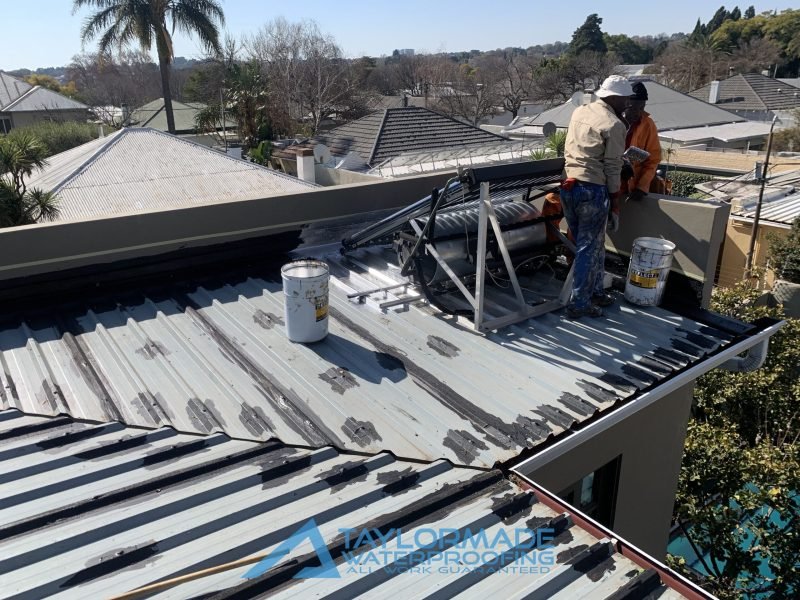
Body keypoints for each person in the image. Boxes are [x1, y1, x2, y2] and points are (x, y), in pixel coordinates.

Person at [560, 75, 632, 318]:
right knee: (588, 247)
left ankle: (596, 291)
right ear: (614, 97)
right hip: (592, 190)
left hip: (569, 188)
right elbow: (613, 168)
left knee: (592, 244)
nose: (628, 104)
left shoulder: (580, 112)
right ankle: (578, 303)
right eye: (626, 99)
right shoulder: (614, 125)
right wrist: (616, 204)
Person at [623, 81, 662, 201]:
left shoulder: (648, 125)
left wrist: (642, 187)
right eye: (633, 108)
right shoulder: (611, 122)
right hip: (610, 187)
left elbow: (653, 159)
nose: (638, 112)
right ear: (625, 104)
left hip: (632, 189)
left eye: (642, 107)